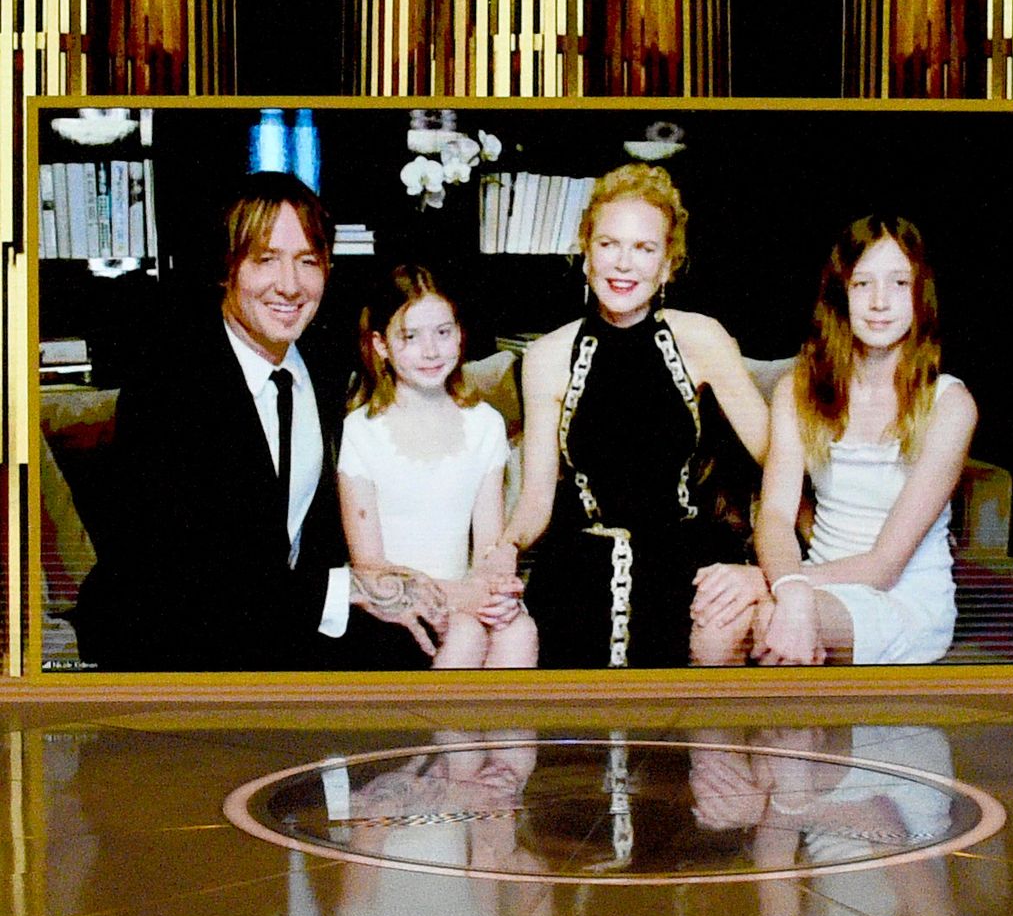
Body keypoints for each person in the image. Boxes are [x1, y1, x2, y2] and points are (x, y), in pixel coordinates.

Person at [74, 172, 441, 671]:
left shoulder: (330, 364)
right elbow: (193, 575)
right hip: (175, 641)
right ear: (229, 268)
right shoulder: (169, 387)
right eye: (265, 259)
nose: (289, 286)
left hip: (289, 627)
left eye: (307, 262)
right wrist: (352, 586)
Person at [491, 163, 769, 668]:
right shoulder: (546, 358)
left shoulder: (702, 339)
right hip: (577, 561)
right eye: (609, 244)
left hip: (687, 555)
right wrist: (505, 547)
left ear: (667, 265)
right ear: (585, 251)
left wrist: (772, 568)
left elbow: (779, 457)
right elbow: (535, 501)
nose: (624, 264)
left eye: (644, 249)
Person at [695, 214, 977, 666]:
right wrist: (787, 584)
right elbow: (774, 516)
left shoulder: (951, 404)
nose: (880, 302)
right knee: (716, 618)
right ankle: (714, 737)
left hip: (900, 602)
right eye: (863, 283)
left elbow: (885, 566)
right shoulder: (798, 389)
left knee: (773, 621)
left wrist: (774, 585)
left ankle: (788, 735)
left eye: (899, 283)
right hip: (810, 581)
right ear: (840, 294)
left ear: (920, 294)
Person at [337, 264, 537, 668]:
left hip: (466, 593)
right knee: (463, 633)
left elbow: (487, 548)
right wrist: (468, 598)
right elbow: (370, 566)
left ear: (460, 335)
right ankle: (446, 734)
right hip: (390, 605)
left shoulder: (485, 425)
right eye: (410, 337)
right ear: (381, 345)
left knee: (519, 630)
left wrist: (497, 592)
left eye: (443, 333)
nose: (430, 351)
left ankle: (506, 734)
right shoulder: (361, 431)